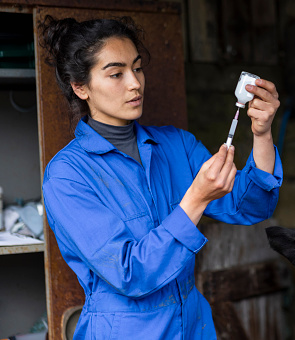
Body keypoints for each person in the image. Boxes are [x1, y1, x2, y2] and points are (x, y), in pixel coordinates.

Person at [39, 16, 282, 339]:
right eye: (116, 73)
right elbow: (129, 273)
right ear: (80, 86)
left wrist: (262, 134)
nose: (135, 83)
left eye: (137, 68)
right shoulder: (68, 176)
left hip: (194, 327)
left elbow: (251, 206)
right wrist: (195, 199)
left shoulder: (176, 146)